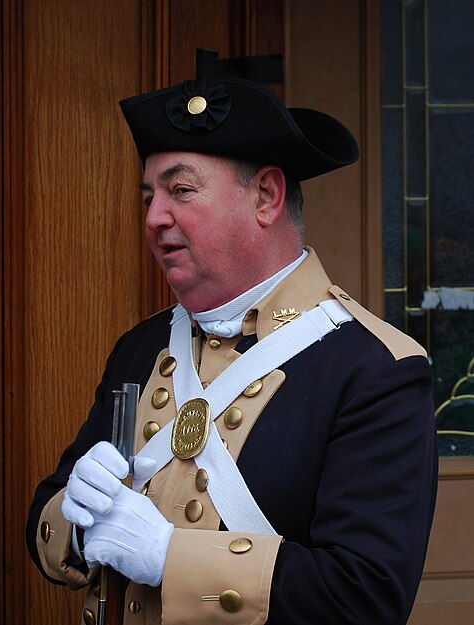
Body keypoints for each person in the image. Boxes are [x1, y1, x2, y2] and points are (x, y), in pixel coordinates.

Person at [26, 77, 437, 625]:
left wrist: (170, 559)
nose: (153, 218)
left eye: (182, 191)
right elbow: (46, 518)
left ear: (266, 196)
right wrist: (77, 526)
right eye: (149, 196)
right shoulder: (141, 347)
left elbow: (365, 599)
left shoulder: (376, 369)